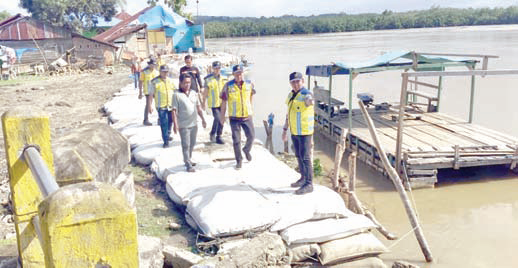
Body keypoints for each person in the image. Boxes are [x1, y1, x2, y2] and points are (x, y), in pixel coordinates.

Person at [282, 72, 315, 195]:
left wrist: (310, 101)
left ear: (303, 81)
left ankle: (309, 183)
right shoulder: (291, 95)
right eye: (293, 82)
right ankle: (303, 178)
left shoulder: (307, 94)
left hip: (305, 131)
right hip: (295, 131)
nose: (295, 84)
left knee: (305, 157)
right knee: (298, 156)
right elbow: (288, 113)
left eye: (298, 81)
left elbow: (310, 101)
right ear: (290, 83)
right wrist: (285, 129)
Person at [220, 65, 255, 169]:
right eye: (237, 73)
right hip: (234, 118)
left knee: (251, 136)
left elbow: (251, 95)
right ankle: (239, 160)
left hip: (247, 116)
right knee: (236, 140)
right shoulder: (228, 86)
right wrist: (222, 117)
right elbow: (223, 102)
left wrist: (250, 108)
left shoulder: (249, 84)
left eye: (240, 73)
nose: (239, 75)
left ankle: (246, 150)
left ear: (243, 73)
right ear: (233, 74)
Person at [173, 73, 207, 172]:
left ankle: (188, 158)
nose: (187, 84)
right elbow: (174, 111)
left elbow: (198, 107)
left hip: (194, 123)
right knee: (186, 144)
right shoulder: (176, 95)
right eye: (185, 83)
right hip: (183, 125)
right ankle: (188, 164)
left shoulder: (193, 93)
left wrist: (203, 119)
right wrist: (175, 124)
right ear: (180, 83)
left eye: (189, 82)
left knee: (192, 143)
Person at [149, 65, 176, 147]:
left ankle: (168, 134)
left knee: (170, 121)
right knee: (164, 123)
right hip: (161, 106)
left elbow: (175, 92)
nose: (165, 73)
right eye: (163, 72)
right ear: (160, 72)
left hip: (170, 105)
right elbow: (151, 94)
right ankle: (165, 141)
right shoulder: (154, 82)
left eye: (166, 72)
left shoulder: (170, 81)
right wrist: (150, 106)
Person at [203, 61, 227, 144]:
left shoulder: (224, 78)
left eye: (218, 68)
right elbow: (205, 92)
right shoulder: (208, 79)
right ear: (213, 69)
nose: (217, 70)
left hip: (222, 103)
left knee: (222, 119)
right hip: (214, 103)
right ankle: (213, 133)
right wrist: (203, 102)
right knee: (218, 118)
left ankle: (219, 136)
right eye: (215, 68)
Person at [139, 58, 159, 126]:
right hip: (147, 91)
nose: (153, 66)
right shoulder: (144, 72)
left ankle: (160, 119)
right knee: (148, 105)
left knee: (159, 105)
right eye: (152, 64)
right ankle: (146, 120)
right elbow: (141, 81)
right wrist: (140, 92)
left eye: (154, 65)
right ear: (149, 64)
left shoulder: (157, 72)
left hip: (156, 91)